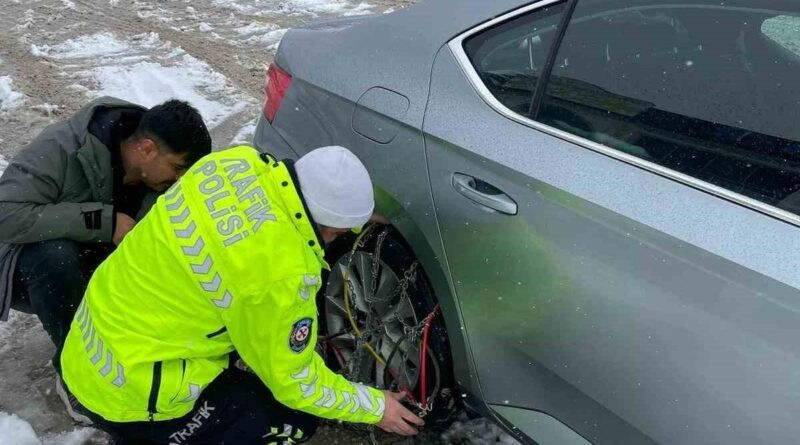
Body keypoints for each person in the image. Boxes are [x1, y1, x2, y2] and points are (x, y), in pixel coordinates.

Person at [57, 145, 424, 443]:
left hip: (89, 342)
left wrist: (354, 210)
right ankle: (148, 433)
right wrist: (376, 407)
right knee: (296, 420)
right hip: (131, 391)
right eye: (338, 232)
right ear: (330, 225)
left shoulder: (234, 162)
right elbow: (297, 384)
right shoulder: (278, 273)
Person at [0, 97, 212, 351]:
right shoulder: (62, 146)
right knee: (54, 255)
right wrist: (104, 222)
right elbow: (6, 214)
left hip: (99, 264)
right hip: (27, 271)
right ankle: (76, 364)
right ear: (147, 149)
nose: (179, 180)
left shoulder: (163, 179)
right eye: (176, 168)